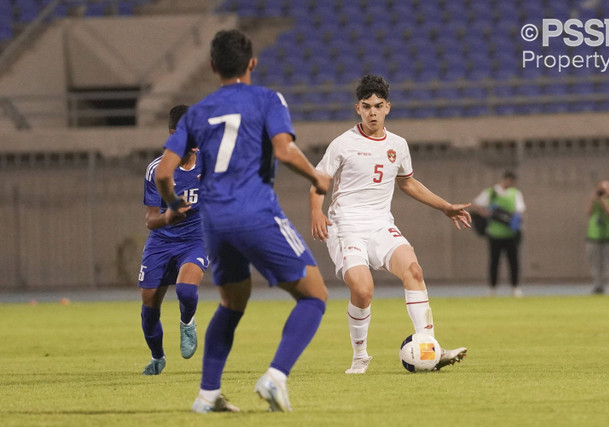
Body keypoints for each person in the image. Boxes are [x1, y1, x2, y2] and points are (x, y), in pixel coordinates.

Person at [154, 29, 331, 413]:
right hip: (255, 211)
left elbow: (163, 174)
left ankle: (207, 395)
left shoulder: (197, 112)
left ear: (213, 66)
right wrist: (317, 177)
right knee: (315, 296)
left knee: (232, 301)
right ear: (251, 63)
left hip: (213, 223)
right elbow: (284, 151)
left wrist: (171, 206)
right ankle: (275, 377)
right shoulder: (267, 99)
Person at [310, 74, 470, 375]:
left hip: (381, 225)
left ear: (388, 108)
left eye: (378, 106)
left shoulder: (398, 145)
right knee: (363, 289)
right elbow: (318, 183)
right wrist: (317, 213)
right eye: (367, 106)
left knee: (413, 270)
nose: (372, 112)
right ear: (358, 108)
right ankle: (360, 356)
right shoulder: (343, 143)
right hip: (346, 227)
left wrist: (445, 207)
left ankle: (429, 347)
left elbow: (408, 184)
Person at [137, 104, 206, 375]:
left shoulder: (208, 162)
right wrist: (168, 217)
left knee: (186, 291)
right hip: (162, 241)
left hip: (195, 239)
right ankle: (157, 357)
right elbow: (150, 219)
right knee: (149, 308)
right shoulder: (156, 170)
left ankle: (187, 322)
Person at [471, 171, 526, 298]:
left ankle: (515, 287)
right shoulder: (491, 192)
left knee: (513, 261)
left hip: (510, 233)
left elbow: (520, 210)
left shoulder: (515, 193)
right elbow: (475, 204)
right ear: (505, 179)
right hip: (495, 233)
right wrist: (486, 212)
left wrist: (516, 223)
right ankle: (492, 288)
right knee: (494, 261)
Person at [586, 180, 609, 294]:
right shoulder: (595, 201)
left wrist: (604, 201)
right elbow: (588, 213)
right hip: (594, 235)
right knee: (597, 264)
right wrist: (594, 199)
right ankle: (599, 286)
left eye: (605, 189)